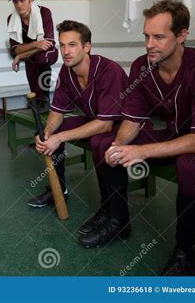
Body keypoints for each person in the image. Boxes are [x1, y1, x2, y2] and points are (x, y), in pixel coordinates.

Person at [82, 0, 195, 276]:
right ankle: (118, 221)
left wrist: (142, 152)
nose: (150, 44)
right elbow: (133, 118)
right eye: (146, 36)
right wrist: (121, 145)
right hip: (173, 134)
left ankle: (184, 253)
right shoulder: (143, 66)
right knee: (106, 144)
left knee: (190, 167)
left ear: (181, 36)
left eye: (159, 37)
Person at [29, 20, 128, 234]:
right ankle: (59, 190)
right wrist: (48, 133)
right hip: (97, 120)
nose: (65, 51)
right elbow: (57, 112)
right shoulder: (67, 71)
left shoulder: (108, 70)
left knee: (97, 141)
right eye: (62, 45)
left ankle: (108, 209)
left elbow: (105, 124)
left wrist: (61, 137)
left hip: (123, 125)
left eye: (72, 45)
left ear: (87, 47)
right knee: (51, 133)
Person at [7, 0, 59, 113]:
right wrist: (34, 45)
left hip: (48, 52)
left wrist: (21, 54)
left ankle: (46, 99)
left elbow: (47, 43)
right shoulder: (11, 19)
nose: (19, 5)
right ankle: (39, 105)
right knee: (33, 75)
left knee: (42, 56)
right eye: (15, 1)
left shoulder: (44, 12)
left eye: (22, 0)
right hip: (31, 56)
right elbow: (16, 49)